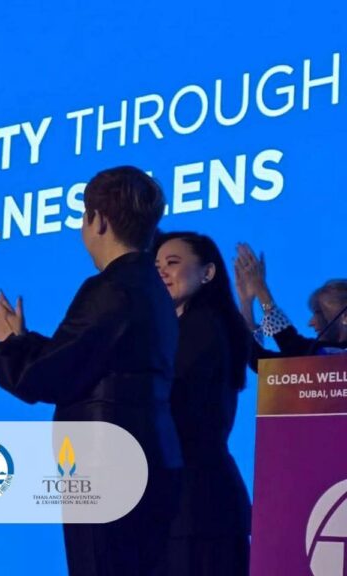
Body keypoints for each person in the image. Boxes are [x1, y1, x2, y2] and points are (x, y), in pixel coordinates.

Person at [0, 166, 182, 575]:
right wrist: (24, 340)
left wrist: (8, 344)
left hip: (107, 464)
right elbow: (94, 359)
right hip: (149, 457)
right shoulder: (151, 289)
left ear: (97, 220)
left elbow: (44, 378)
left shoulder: (110, 287)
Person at [154, 232, 251, 575]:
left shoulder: (204, 326)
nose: (161, 272)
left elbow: (168, 405)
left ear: (208, 273)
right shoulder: (180, 329)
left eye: (173, 263)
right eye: (157, 266)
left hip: (197, 507)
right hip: (192, 504)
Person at [234, 243, 347, 364]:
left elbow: (292, 345)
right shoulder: (318, 357)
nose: (311, 322)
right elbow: (260, 361)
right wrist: (246, 304)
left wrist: (261, 289)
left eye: (319, 313)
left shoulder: (330, 354)